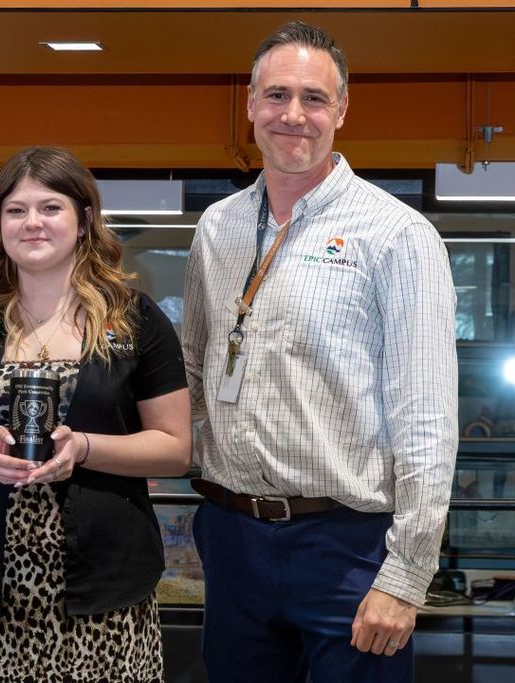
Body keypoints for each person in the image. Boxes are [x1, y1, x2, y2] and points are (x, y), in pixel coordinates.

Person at [182, 21, 458, 683]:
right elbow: (194, 367)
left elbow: (427, 421)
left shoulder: (398, 235)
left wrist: (407, 573)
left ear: (341, 110)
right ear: (250, 105)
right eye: (277, 95)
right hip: (231, 535)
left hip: (348, 544)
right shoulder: (216, 228)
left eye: (313, 98)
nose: (293, 115)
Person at [0, 146, 192, 682]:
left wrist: (84, 448)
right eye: (16, 210)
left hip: (108, 590)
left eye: (50, 207)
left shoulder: (134, 319)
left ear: (84, 219)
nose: (32, 223)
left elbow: (175, 447)